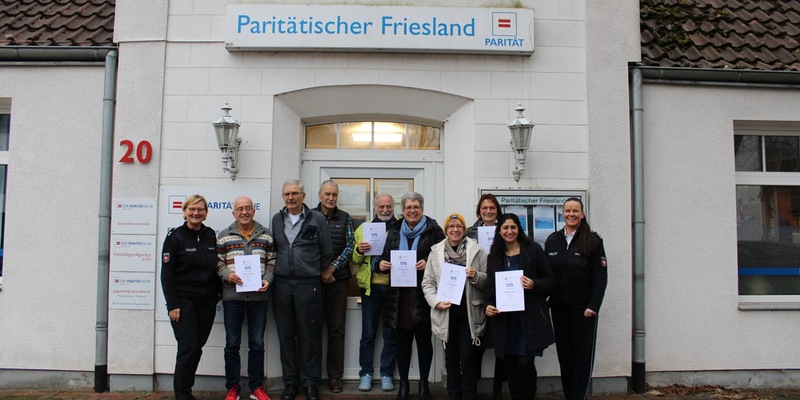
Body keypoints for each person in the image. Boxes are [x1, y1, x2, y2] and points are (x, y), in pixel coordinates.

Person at [378, 192, 445, 400]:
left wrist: (428, 262)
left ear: (422, 209)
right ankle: (404, 385)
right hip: (399, 296)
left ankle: (424, 385)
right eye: (408, 207)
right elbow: (384, 257)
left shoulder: (434, 229)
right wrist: (382, 264)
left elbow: (445, 256)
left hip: (423, 295)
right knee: (402, 343)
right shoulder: (394, 229)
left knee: (424, 343)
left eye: (416, 207)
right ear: (403, 210)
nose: (412, 211)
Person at [271, 180, 333, 400]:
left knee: (309, 335)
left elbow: (327, 251)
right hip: (282, 284)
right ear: (283, 196)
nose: (291, 197)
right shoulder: (277, 219)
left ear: (303, 196)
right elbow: (275, 249)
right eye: (287, 194)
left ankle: (310, 384)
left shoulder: (317, 219)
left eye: (295, 193)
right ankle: (290, 383)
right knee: (286, 335)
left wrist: (311, 270)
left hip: (308, 285)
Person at [484, 213, 555, 400]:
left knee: (525, 362)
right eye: (505, 228)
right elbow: (489, 290)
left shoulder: (533, 250)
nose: (509, 231)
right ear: (499, 231)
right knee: (510, 365)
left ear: (519, 229)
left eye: (513, 227)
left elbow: (550, 279)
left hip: (528, 319)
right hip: (505, 320)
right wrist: (488, 305)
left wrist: (534, 284)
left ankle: (529, 396)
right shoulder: (494, 256)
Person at [545, 197, 608, 400]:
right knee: (565, 357)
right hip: (559, 309)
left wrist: (594, 305)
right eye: (567, 211)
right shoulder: (552, 240)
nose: (571, 214)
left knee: (582, 358)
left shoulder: (593, 241)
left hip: (584, 310)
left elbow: (600, 277)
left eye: (575, 211)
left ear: (582, 214)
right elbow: (546, 274)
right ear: (562, 213)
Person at [160, 194, 221, 400]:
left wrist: (218, 293)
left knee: (197, 348)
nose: (196, 213)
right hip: (183, 303)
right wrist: (173, 304)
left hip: (207, 302)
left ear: (206, 213)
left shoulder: (210, 235)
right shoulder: (175, 237)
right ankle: (182, 395)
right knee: (188, 348)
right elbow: (167, 274)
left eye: (200, 209)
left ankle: (186, 391)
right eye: (192, 209)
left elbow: (216, 267)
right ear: (185, 212)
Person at [422, 212, 488, 400]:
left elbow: (487, 280)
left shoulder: (477, 250)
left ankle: (469, 395)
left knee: (468, 358)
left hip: (469, 312)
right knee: (450, 358)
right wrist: (436, 303)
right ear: (446, 230)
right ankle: (454, 395)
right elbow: (428, 283)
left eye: (459, 226)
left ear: (464, 229)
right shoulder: (436, 252)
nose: (455, 229)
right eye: (451, 226)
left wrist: (475, 275)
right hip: (446, 311)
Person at [217, 196, 276, 400]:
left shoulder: (266, 235)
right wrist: (227, 275)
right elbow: (218, 262)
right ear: (233, 212)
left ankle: (256, 387)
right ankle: (233, 387)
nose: (244, 212)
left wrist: (268, 279)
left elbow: (272, 261)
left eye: (248, 208)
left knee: (257, 343)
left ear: (253, 210)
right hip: (232, 297)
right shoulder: (224, 235)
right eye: (240, 209)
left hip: (258, 298)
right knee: (232, 344)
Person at [312, 180, 355, 394]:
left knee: (336, 330)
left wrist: (332, 268)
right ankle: (312, 377)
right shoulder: (309, 216)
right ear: (320, 195)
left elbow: (350, 246)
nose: (331, 198)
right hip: (313, 280)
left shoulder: (345, 218)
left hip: (338, 280)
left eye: (334, 195)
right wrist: (321, 270)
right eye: (327, 194)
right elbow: (305, 247)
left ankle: (335, 377)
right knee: (312, 328)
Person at [353, 194, 398, 392]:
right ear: (375, 207)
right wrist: (359, 250)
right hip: (370, 288)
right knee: (368, 334)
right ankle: (366, 374)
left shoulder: (401, 227)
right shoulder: (363, 229)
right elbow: (354, 260)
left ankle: (387, 373)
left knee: (390, 334)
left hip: (394, 289)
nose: (385, 210)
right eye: (381, 206)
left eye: (388, 206)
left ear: (393, 207)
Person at [465, 193, 505, 400]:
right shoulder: (470, 233)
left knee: (501, 344)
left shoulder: (506, 228)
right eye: (484, 208)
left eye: (492, 208)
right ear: (479, 211)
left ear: (497, 210)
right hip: (478, 292)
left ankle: (498, 390)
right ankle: (472, 389)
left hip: (502, 292)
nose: (488, 211)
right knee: (476, 343)